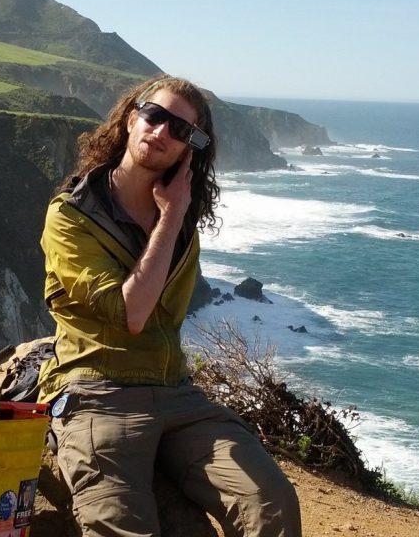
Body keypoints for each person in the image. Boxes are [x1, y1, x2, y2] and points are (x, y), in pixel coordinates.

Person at [38, 74, 302, 537]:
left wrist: (175, 216)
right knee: (120, 525)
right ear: (130, 118)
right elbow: (131, 315)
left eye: (181, 131)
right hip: (99, 392)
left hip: (176, 393)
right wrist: (173, 215)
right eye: (154, 116)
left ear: (189, 151)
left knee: (271, 501)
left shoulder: (181, 227)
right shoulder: (72, 215)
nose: (161, 132)